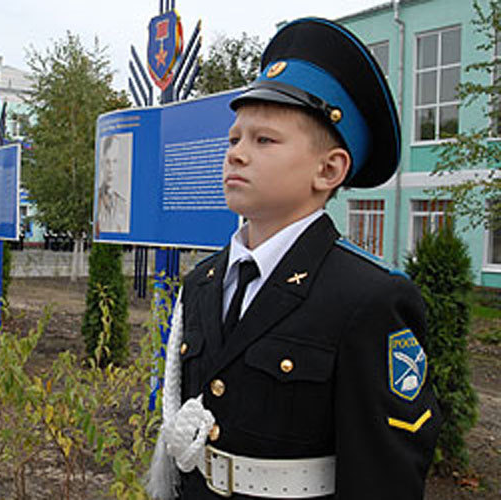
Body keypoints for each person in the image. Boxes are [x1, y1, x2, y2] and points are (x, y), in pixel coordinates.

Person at [147, 18, 441, 500]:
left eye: (264, 140)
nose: (237, 154)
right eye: (234, 139)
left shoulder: (367, 298)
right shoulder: (202, 282)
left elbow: (384, 476)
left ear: (329, 170)